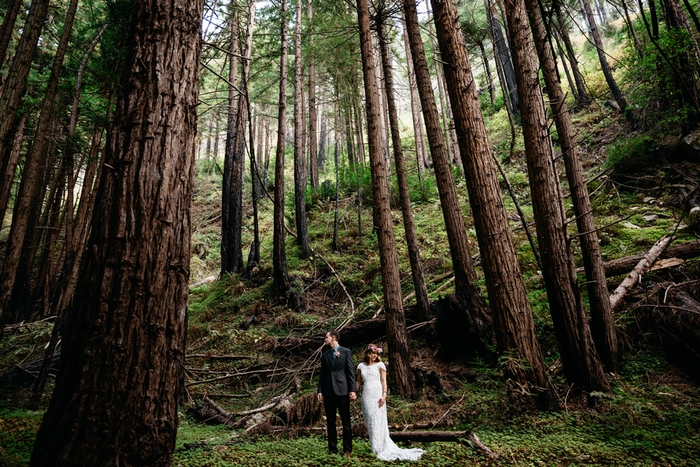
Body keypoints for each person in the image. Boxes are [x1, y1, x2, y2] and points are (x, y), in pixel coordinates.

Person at [356, 344, 424, 462]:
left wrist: (384, 395)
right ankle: (374, 446)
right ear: (367, 353)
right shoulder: (361, 366)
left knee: (377, 419)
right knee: (369, 420)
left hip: (377, 393)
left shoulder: (380, 365)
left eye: (376, 354)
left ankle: (379, 448)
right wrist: (353, 391)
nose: (375, 355)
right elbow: (358, 381)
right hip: (366, 395)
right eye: (373, 353)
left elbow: (383, 381)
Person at [317, 330, 356, 458]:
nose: (325, 339)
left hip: (342, 391)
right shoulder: (325, 355)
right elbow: (322, 375)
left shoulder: (346, 352)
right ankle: (332, 449)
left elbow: (350, 373)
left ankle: (347, 450)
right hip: (328, 392)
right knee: (331, 422)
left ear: (333, 338)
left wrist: (352, 390)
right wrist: (320, 390)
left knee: (346, 421)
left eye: (326, 337)